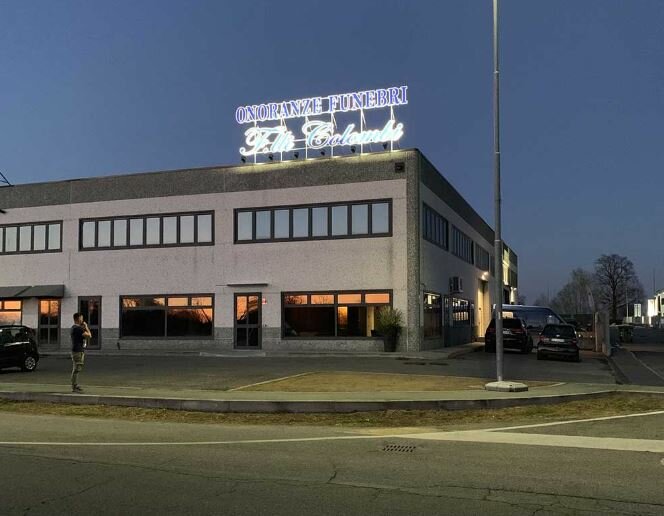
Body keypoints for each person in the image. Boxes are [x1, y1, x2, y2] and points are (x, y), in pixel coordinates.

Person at [70, 312, 91, 393]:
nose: (82, 320)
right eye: (81, 318)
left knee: (76, 368)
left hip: (77, 350)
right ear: (78, 319)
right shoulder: (77, 329)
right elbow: (89, 335)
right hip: (77, 351)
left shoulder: (74, 328)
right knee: (77, 369)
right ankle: (74, 386)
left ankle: (75, 385)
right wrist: (86, 327)